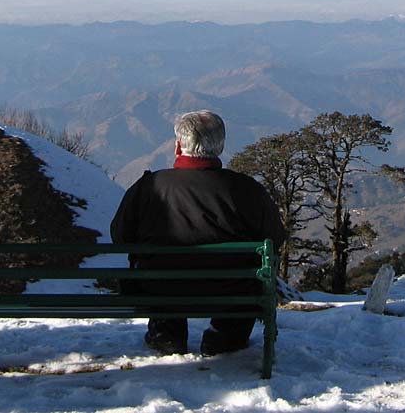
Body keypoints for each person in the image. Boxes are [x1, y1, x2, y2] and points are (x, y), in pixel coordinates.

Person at [111, 110, 286, 356]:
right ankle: (226, 335)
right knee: (247, 282)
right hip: (230, 290)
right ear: (221, 147)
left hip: (159, 290)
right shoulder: (248, 190)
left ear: (178, 147)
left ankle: (167, 332)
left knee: (161, 277)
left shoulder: (147, 187)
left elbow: (120, 236)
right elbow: (274, 238)